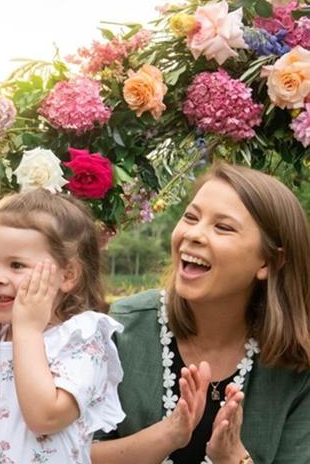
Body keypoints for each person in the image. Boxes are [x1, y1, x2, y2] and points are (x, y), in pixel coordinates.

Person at [91, 163, 310, 464]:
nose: (194, 234)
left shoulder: (298, 368)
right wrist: (169, 434)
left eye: (223, 227)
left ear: (269, 263)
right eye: (191, 217)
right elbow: (68, 453)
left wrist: (234, 458)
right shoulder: (119, 329)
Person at [0, 189, 125, 463]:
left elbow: (45, 417)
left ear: (67, 275)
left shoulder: (81, 339)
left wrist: (27, 331)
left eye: (16, 265)